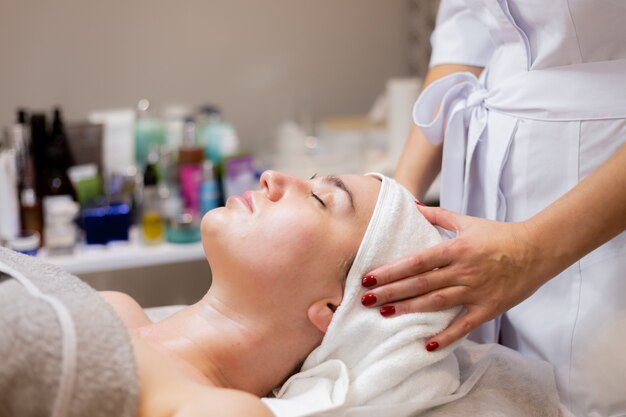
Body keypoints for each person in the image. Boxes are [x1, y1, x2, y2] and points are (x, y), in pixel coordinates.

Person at [359, 1, 626, 416]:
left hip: (600, 191)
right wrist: (398, 199)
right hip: (485, 180)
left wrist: (530, 250)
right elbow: (467, 31)